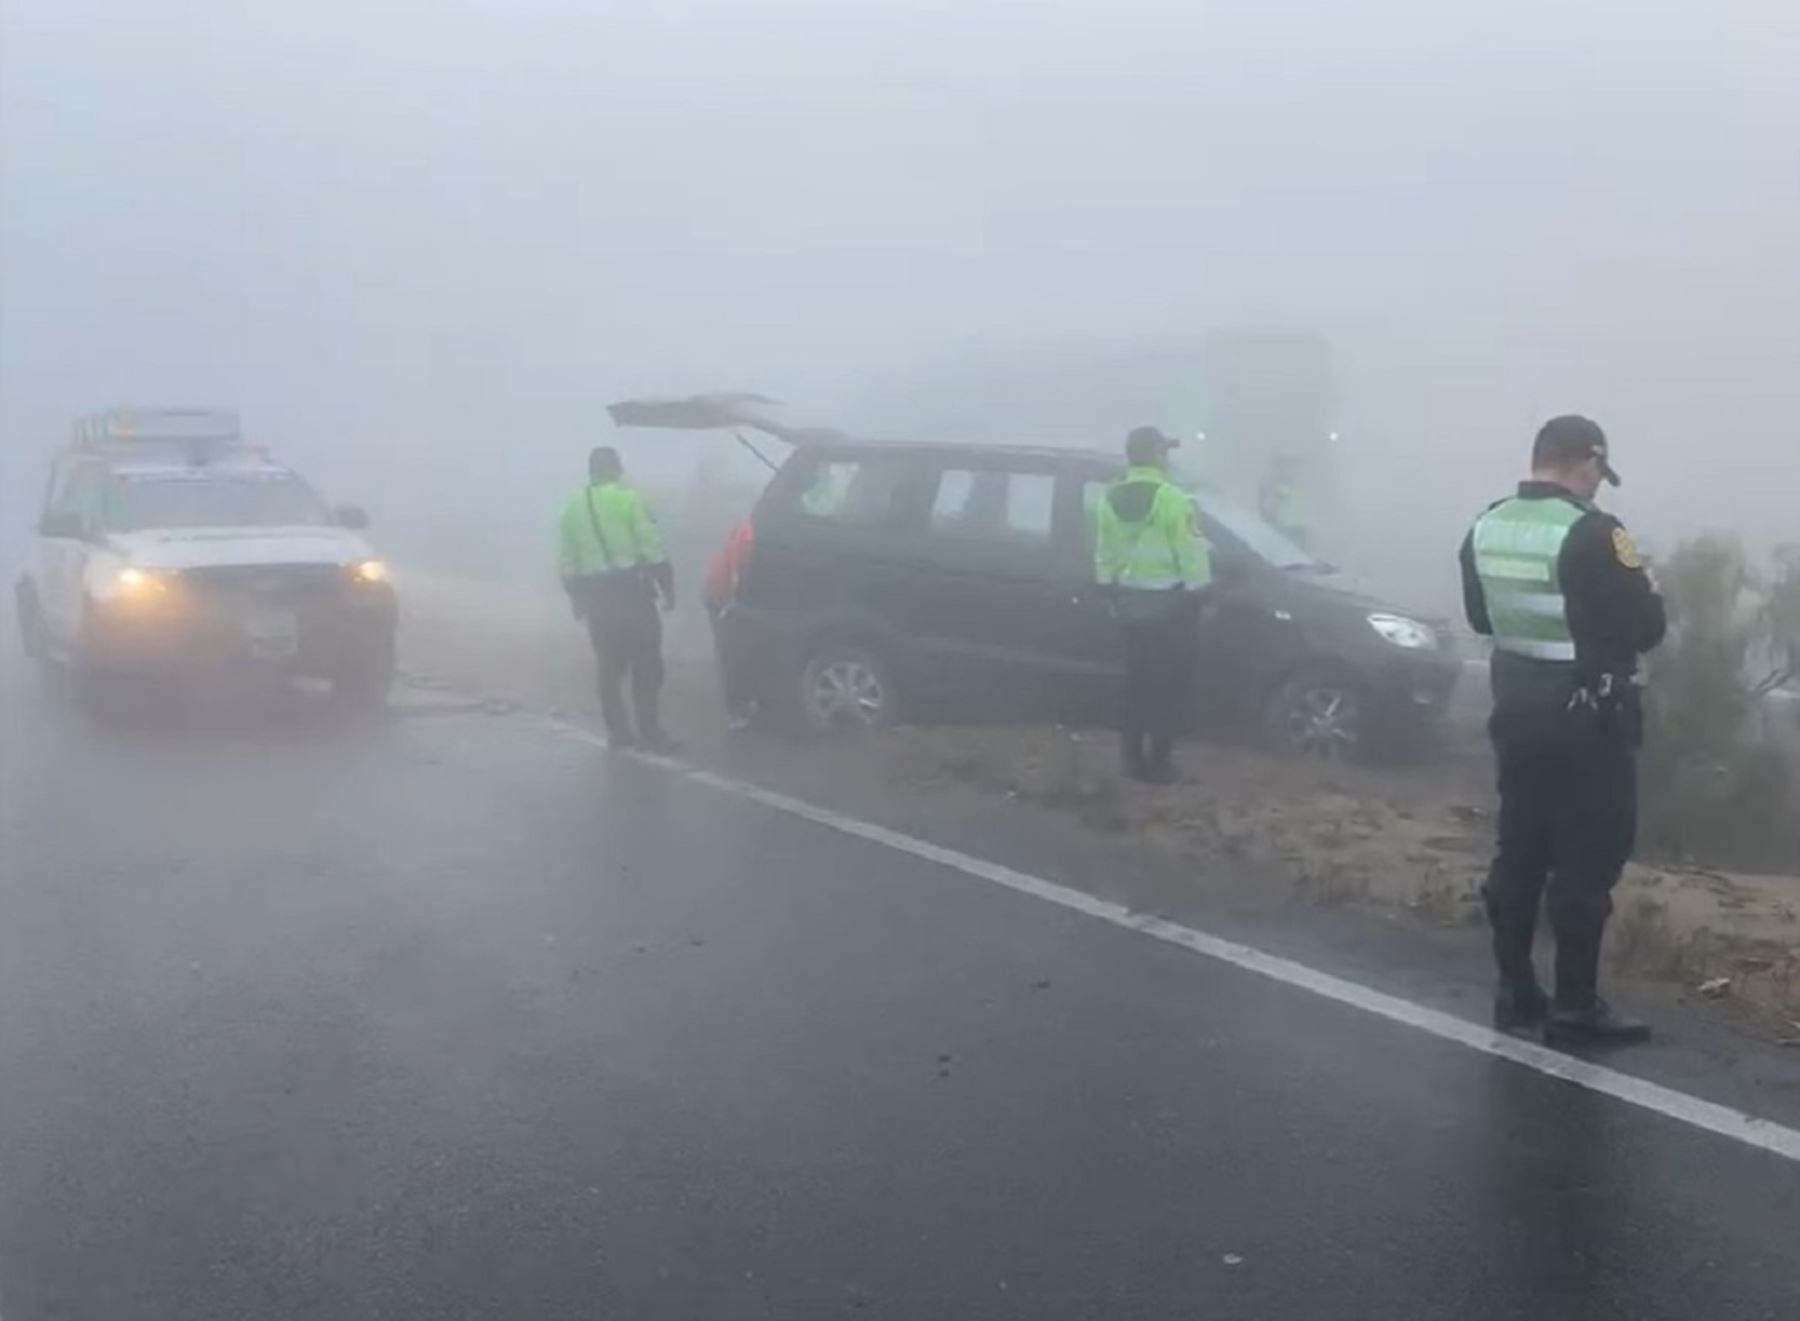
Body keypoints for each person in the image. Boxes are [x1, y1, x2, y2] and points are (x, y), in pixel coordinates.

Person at [1460, 415, 1666, 1047]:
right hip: (1587, 724)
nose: (1599, 486)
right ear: (1587, 463)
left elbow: (1478, 616)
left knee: (1520, 850)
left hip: (1516, 715)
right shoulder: (1595, 533)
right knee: (1586, 859)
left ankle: (1514, 989)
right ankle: (1576, 1005)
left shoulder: (1486, 525)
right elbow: (1646, 627)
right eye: (1599, 473)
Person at [1094, 426, 1213, 784]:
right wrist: (1200, 591)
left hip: (1130, 602)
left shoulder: (1108, 498)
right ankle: (1160, 764)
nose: (1168, 457)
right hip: (1171, 606)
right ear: (1155, 456)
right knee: (1168, 686)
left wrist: (1108, 590)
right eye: (1164, 451)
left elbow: (1105, 552)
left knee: (1136, 683)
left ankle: (1132, 762)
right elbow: (1190, 551)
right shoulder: (1174, 499)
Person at [558, 446, 677, 752]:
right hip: (632, 593)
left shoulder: (571, 507)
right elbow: (650, 544)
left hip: (597, 598)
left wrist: (576, 597)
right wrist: (667, 584)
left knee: (609, 667)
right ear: (615, 469)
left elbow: (567, 560)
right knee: (647, 664)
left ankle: (618, 733)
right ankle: (650, 732)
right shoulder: (628, 499)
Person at [701, 518, 757, 730]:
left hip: (722, 592)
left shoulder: (750, 527)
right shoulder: (750, 535)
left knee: (738, 650)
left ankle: (745, 703)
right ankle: (737, 709)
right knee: (732, 652)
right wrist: (734, 602)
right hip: (723, 596)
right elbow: (738, 572)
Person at [1259, 452, 1311, 549]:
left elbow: (1276, 497)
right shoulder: (1301, 483)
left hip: (1288, 524)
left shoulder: (1285, 484)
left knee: (1289, 550)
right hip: (1298, 524)